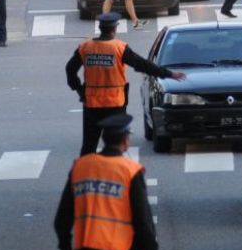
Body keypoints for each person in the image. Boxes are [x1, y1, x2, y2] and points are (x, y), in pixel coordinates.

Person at [54, 114, 158, 250]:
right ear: (125, 141)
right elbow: (144, 223)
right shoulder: (129, 171)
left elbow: (62, 218)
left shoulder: (80, 167)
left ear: (104, 139)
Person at [65, 13, 186, 155]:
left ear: (100, 28)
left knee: (89, 145)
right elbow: (142, 64)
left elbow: (70, 69)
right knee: (115, 144)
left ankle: (87, 172)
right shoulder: (119, 48)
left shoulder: (85, 47)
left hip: (92, 104)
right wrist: (169, 74)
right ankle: (116, 173)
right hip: (115, 104)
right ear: (114, 29)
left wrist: (79, 89)